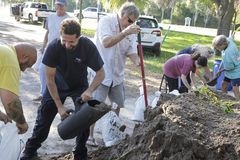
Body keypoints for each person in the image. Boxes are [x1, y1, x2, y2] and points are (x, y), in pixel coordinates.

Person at [20, 18, 105, 160]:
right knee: (44, 118)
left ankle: (79, 152)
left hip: (79, 85)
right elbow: (49, 80)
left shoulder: (87, 46)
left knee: (85, 117)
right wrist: (59, 106)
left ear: (79, 37)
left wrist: (89, 90)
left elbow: (101, 73)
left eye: (71, 42)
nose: (66, 44)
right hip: (56, 85)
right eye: (64, 40)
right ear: (60, 34)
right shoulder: (53, 47)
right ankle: (29, 151)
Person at [92, 2, 140, 146]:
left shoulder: (129, 31)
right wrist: (125, 32)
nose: (130, 24)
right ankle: (89, 136)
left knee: (117, 105)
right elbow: (106, 42)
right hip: (101, 72)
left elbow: (131, 51)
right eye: (129, 21)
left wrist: (137, 62)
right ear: (121, 14)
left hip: (117, 75)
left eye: (133, 22)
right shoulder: (106, 22)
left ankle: (112, 133)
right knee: (95, 106)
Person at [33, 0, 70, 101]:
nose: (59, 8)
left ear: (65, 6)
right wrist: (43, 45)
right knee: (42, 70)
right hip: (49, 49)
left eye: (61, 6)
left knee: (58, 74)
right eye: (57, 6)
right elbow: (48, 32)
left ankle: (57, 96)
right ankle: (43, 94)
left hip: (62, 50)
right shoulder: (50, 17)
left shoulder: (69, 19)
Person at [0, 43, 37, 134]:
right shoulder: (11, 62)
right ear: (25, 56)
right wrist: (22, 123)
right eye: (28, 65)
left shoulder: (5, 51)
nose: (24, 70)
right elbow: (11, 102)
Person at [212, 35, 240, 100]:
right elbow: (231, 37)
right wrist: (219, 69)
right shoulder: (228, 41)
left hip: (236, 72)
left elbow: (230, 67)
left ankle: (238, 103)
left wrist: (220, 71)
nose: (218, 49)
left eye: (218, 47)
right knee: (223, 85)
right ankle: (226, 100)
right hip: (230, 71)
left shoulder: (228, 53)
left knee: (235, 89)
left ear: (223, 44)